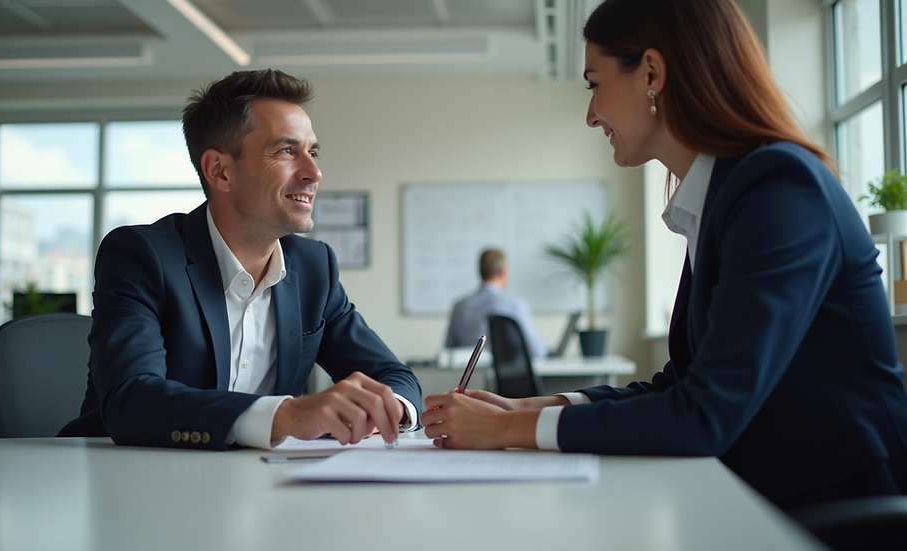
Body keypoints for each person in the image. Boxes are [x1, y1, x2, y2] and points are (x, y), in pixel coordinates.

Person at [421, 0, 907, 512]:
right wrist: (529, 407)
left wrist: (509, 428)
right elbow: (680, 383)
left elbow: (705, 414)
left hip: (841, 506)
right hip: (772, 493)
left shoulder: (779, 188)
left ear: (651, 72)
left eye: (593, 84)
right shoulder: (726, 195)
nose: (590, 116)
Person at [60, 69, 420, 450]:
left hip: (255, 481)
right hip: (127, 479)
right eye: (286, 151)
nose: (314, 172)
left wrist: (387, 407)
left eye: (312, 152)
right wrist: (287, 415)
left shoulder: (315, 267)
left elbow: (393, 375)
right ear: (220, 170)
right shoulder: (142, 255)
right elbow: (131, 400)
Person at [445, 248, 549, 358]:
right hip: (511, 373)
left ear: (480, 271)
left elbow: (448, 352)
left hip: (472, 374)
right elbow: (535, 351)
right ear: (503, 272)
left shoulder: (460, 306)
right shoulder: (516, 305)